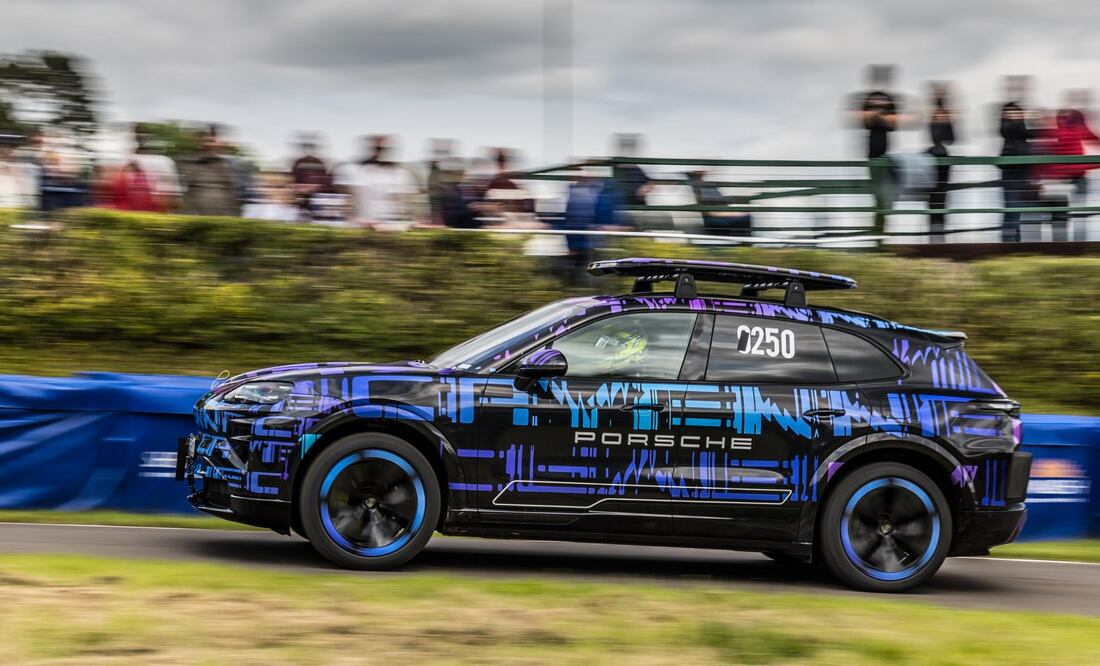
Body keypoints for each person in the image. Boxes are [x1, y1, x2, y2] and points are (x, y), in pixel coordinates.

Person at [852, 65, 902, 234]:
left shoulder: (889, 99)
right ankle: (878, 232)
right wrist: (880, 117)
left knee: (887, 194)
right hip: (873, 154)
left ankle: (879, 230)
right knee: (879, 195)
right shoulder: (869, 98)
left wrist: (878, 117)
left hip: (887, 153)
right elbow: (864, 121)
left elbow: (892, 124)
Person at [335, 135, 420, 226]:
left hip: (391, 228)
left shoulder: (402, 176)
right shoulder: (353, 172)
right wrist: (351, 219)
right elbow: (344, 201)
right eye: (377, 149)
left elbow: (411, 205)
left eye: (383, 149)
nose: (379, 154)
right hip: (362, 227)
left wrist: (412, 221)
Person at [998, 76, 1036, 243]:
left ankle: (1015, 241)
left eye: (1017, 112)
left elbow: (1026, 133)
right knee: (1012, 206)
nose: (1014, 115)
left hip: (1023, 169)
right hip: (1012, 169)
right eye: (1010, 113)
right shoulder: (1007, 127)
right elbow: (1017, 131)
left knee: (1017, 207)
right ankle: (1008, 241)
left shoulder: (1019, 129)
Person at [179, 125, 242, 216]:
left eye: (211, 141)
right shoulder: (188, 163)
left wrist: (232, 215)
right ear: (199, 142)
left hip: (219, 216)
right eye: (205, 141)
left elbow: (230, 192)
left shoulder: (224, 164)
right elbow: (185, 190)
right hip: (195, 215)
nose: (208, 144)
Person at [926, 82, 956, 241]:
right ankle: (935, 236)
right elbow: (943, 138)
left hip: (941, 163)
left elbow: (950, 139)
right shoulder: (932, 118)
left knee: (939, 201)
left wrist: (946, 119)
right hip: (934, 163)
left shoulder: (943, 117)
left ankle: (937, 236)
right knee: (936, 201)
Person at [131, 123, 182, 212]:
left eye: (145, 133)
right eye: (139, 133)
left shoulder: (163, 161)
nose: (142, 136)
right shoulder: (131, 160)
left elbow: (173, 199)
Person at [687, 168, 751, 236]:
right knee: (745, 217)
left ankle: (744, 241)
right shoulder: (697, 187)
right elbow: (708, 208)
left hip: (720, 211)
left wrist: (730, 200)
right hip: (715, 214)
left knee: (745, 215)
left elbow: (718, 200)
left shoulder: (707, 185)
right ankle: (744, 241)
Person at [289, 133, 330, 218]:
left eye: (311, 148)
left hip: (315, 194)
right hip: (301, 194)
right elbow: (293, 177)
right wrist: (298, 189)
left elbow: (323, 178)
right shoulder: (299, 161)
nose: (309, 151)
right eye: (306, 148)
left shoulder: (319, 162)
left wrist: (316, 189)